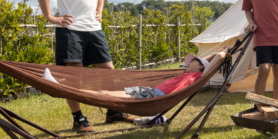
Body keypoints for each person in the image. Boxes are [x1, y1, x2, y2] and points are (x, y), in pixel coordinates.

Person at [36, 0, 136, 133]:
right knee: (75, 77)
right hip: (70, 28)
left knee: (108, 72)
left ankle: (114, 111)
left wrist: (99, 11)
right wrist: (50, 17)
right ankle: (78, 119)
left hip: (93, 28)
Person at [79, 48, 228, 100]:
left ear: (201, 67)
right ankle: (76, 91)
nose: (190, 62)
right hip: (148, 92)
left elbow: (218, 58)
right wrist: (216, 53)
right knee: (104, 92)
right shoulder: (186, 72)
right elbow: (212, 58)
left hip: (154, 96)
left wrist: (225, 51)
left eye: (195, 60)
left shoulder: (197, 77)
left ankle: (77, 91)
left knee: (104, 93)